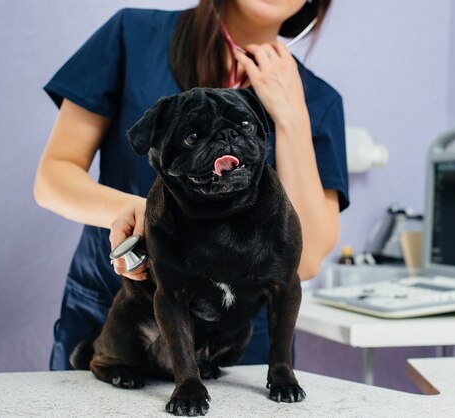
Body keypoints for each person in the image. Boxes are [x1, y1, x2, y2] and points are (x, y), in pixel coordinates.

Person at [34, 0, 349, 371]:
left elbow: (306, 259)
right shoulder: (133, 36)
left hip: (236, 346)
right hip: (120, 318)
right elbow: (53, 176)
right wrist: (131, 210)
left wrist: (291, 117)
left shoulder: (319, 101)